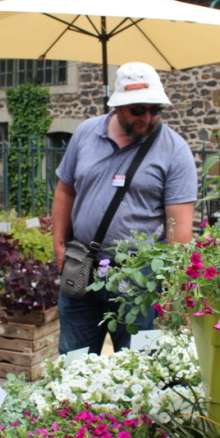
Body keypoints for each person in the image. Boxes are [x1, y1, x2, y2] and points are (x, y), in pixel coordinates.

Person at [52, 62, 198, 355]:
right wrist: (58, 245)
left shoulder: (175, 150)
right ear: (118, 106)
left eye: (155, 109)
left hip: (139, 275)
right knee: (74, 362)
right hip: (81, 263)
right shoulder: (86, 133)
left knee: (139, 367)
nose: (147, 117)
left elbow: (179, 225)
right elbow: (65, 190)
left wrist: (175, 283)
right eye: (138, 110)